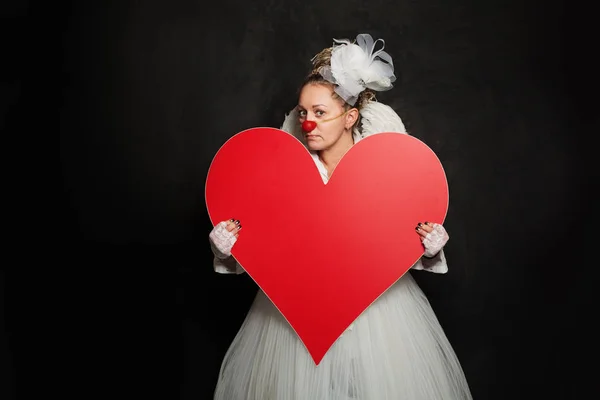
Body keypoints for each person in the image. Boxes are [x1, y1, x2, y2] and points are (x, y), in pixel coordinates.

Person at [208, 33, 473, 400]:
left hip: (377, 314)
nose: (308, 123)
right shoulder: (286, 176)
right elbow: (270, 245)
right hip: (296, 311)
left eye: (320, 113)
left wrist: (428, 247)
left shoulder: (381, 172)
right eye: (303, 113)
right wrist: (227, 248)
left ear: (349, 117)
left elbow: (393, 243)